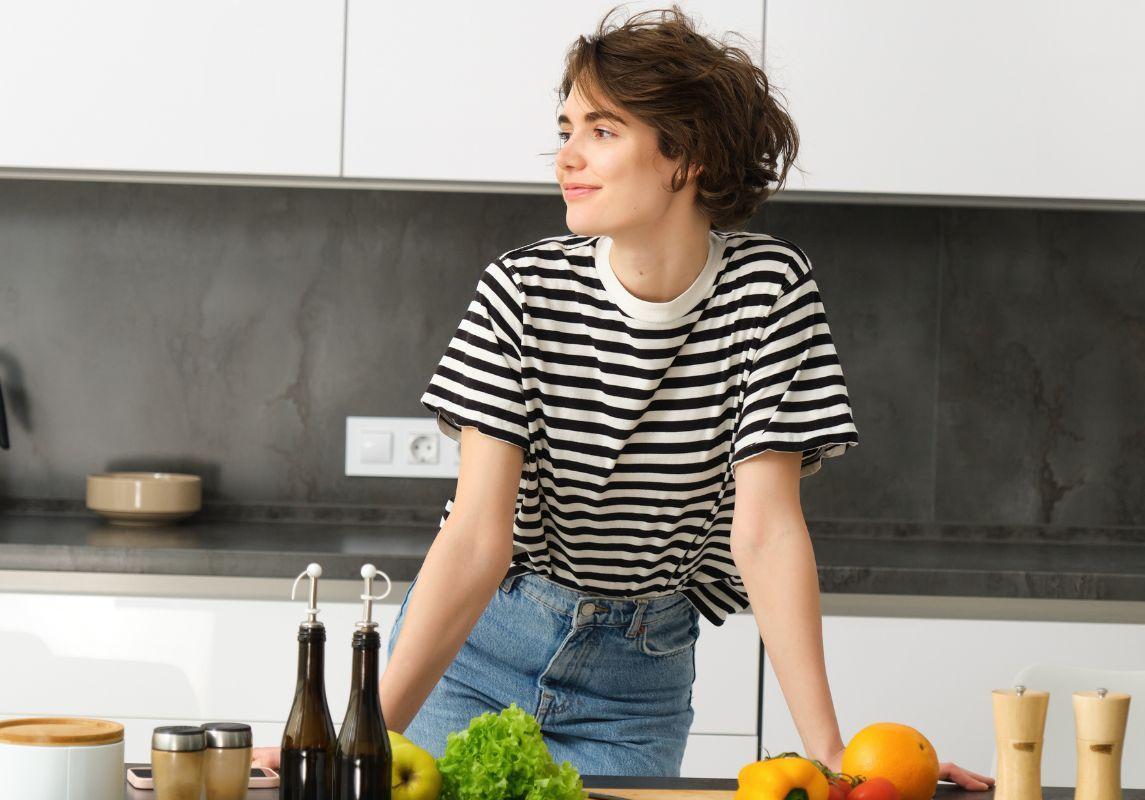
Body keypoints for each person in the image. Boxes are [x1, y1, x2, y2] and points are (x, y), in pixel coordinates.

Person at [256, 4, 996, 786]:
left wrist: (832, 752)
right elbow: (476, 540)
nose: (566, 158)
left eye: (602, 131)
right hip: (477, 651)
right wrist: (361, 743)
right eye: (566, 129)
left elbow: (766, 531)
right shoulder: (521, 291)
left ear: (689, 156)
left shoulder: (770, 292)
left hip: (634, 686)